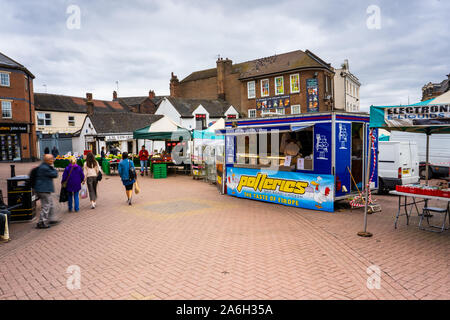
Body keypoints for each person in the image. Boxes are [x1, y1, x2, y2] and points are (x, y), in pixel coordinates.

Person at [34, 154, 59, 229]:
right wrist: (54, 169)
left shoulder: (44, 166)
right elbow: (54, 174)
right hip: (43, 190)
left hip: (43, 189)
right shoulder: (45, 167)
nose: (52, 160)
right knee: (46, 206)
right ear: (47, 160)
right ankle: (41, 222)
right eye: (51, 159)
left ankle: (51, 219)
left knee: (49, 204)